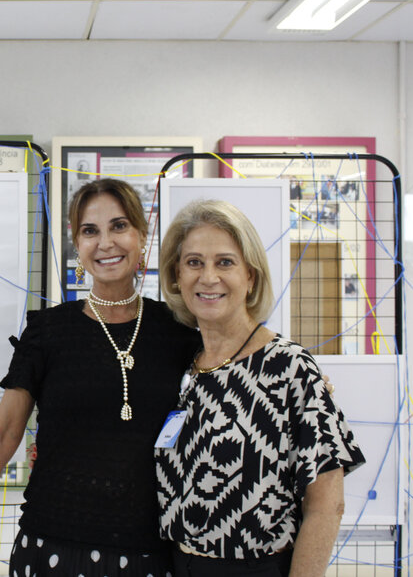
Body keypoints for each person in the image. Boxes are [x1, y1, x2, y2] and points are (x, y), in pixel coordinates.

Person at [0, 178, 202, 577]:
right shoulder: (47, 332)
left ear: (141, 235)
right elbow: (1, 436)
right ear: (77, 245)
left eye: (119, 226)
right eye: (90, 231)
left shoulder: (180, 333)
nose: (105, 243)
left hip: (149, 553)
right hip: (50, 548)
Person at [155, 199, 365, 577]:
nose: (208, 277)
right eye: (194, 262)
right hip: (176, 563)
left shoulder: (289, 368)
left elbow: (326, 505)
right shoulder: (182, 365)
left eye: (225, 262)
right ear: (176, 275)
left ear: (251, 276)